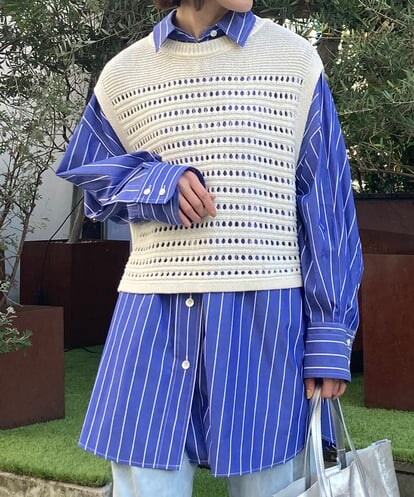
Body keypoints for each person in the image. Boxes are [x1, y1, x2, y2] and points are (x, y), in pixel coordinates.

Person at [56, 0, 363, 495]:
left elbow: (327, 208)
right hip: (149, 321)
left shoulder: (295, 61)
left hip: (265, 321)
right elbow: (90, 178)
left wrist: (329, 334)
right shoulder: (122, 75)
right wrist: (156, 185)